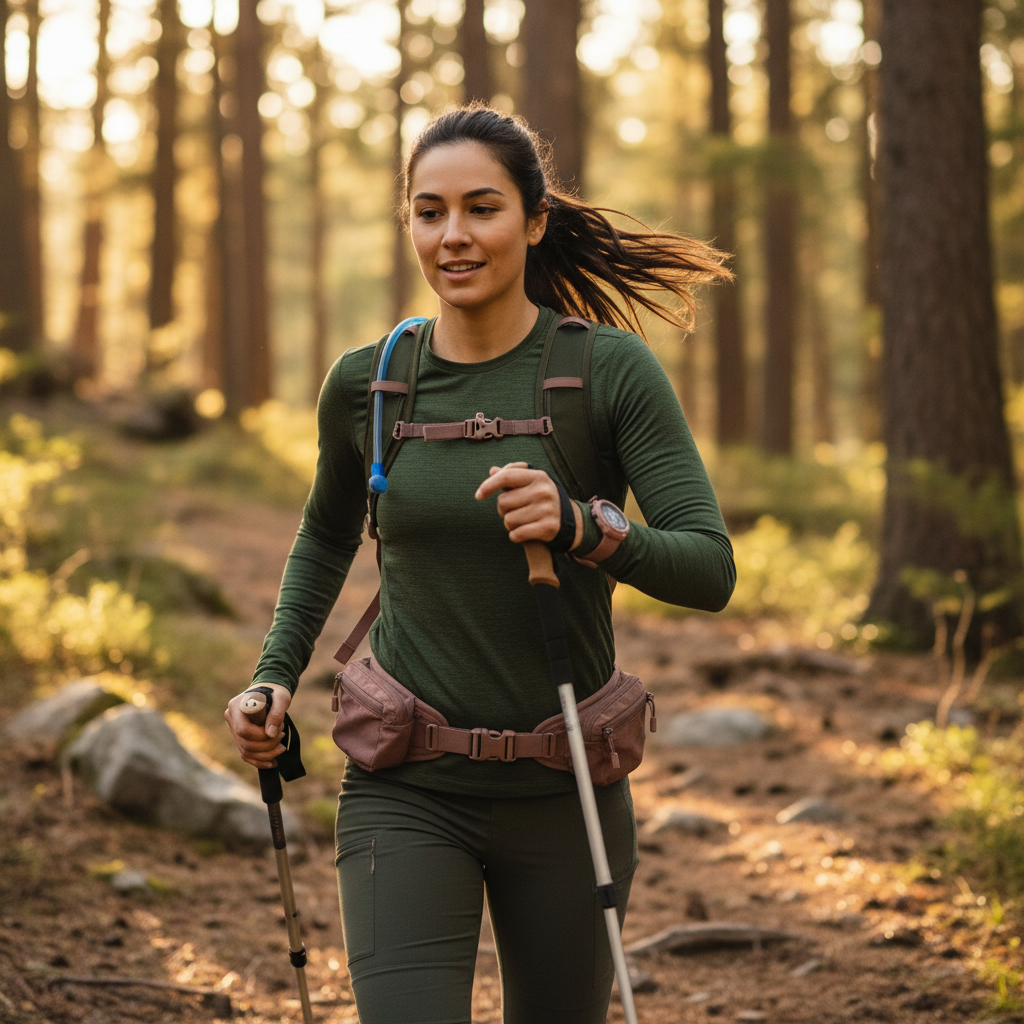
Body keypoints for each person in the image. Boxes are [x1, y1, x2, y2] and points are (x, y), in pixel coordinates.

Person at [225, 104, 736, 1024]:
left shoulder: (610, 372)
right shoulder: (370, 381)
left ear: (534, 222)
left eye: (482, 208)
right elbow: (325, 536)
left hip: (566, 787)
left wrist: (586, 526)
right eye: (429, 212)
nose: (453, 236)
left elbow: (710, 567)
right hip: (403, 788)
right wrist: (270, 678)